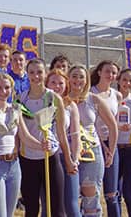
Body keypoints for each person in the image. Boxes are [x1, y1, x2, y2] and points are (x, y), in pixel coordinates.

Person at [0, 72, 49, 217]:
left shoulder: (16, 109)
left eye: (7, 88)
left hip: (14, 165)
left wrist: (41, 145)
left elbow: (24, 136)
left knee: (9, 214)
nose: (3, 92)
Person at [18, 58, 77, 217]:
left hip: (50, 157)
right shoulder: (20, 99)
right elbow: (21, 133)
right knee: (31, 209)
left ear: (45, 74)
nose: (35, 76)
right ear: (26, 73)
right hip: (28, 159)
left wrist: (69, 159)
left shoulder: (54, 98)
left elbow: (61, 134)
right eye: (31, 72)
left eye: (39, 72)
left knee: (57, 209)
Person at [69, 64, 118, 217]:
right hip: (69, 153)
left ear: (87, 80)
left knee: (90, 197)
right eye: (74, 76)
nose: (78, 80)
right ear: (68, 78)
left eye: (81, 76)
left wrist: (111, 150)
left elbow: (112, 125)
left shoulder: (93, 99)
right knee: (70, 198)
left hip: (92, 153)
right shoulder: (61, 99)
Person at [45, 68, 81, 216]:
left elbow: (75, 135)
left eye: (60, 83)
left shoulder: (70, 106)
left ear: (66, 85)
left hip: (65, 157)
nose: (57, 86)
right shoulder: (40, 103)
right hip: (46, 157)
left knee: (71, 204)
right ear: (46, 83)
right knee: (49, 204)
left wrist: (74, 159)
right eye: (53, 82)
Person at [90, 60, 121, 216]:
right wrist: (103, 146)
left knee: (111, 193)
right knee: (91, 189)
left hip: (112, 144)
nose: (111, 75)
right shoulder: (90, 93)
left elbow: (115, 122)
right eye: (108, 71)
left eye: (114, 73)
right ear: (99, 72)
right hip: (94, 143)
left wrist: (112, 149)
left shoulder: (116, 94)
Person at [116, 68, 131, 216]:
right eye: (124, 79)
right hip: (114, 149)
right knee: (113, 193)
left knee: (129, 194)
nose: (127, 83)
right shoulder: (111, 97)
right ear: (118, 80)